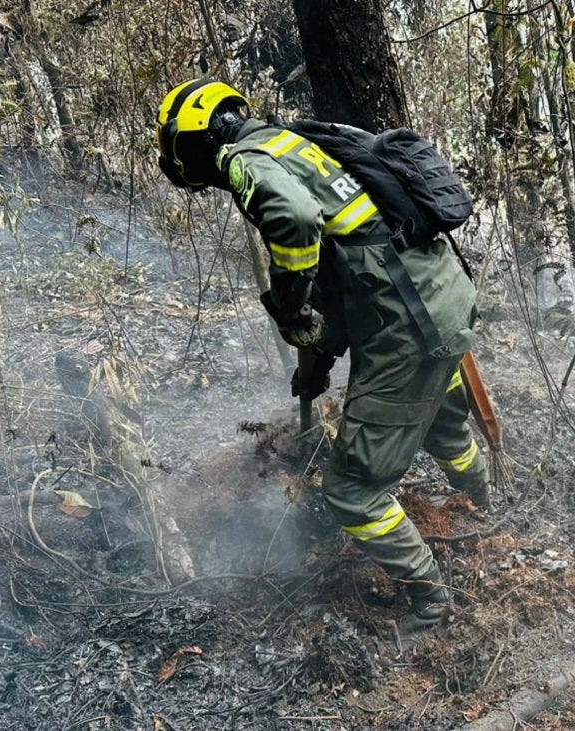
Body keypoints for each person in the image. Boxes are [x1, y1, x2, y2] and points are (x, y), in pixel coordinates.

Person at [154, 78, 489, 627]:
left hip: (409, 324)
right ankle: (485, 503)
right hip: (442, 295)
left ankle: (431, 601)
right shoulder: (294, 142)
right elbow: (349, 260)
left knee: (353, 492)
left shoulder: (243, 160)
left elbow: (296, 220)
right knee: (445, 430)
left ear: (191, 141)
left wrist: (289, 307)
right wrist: (318, 357)